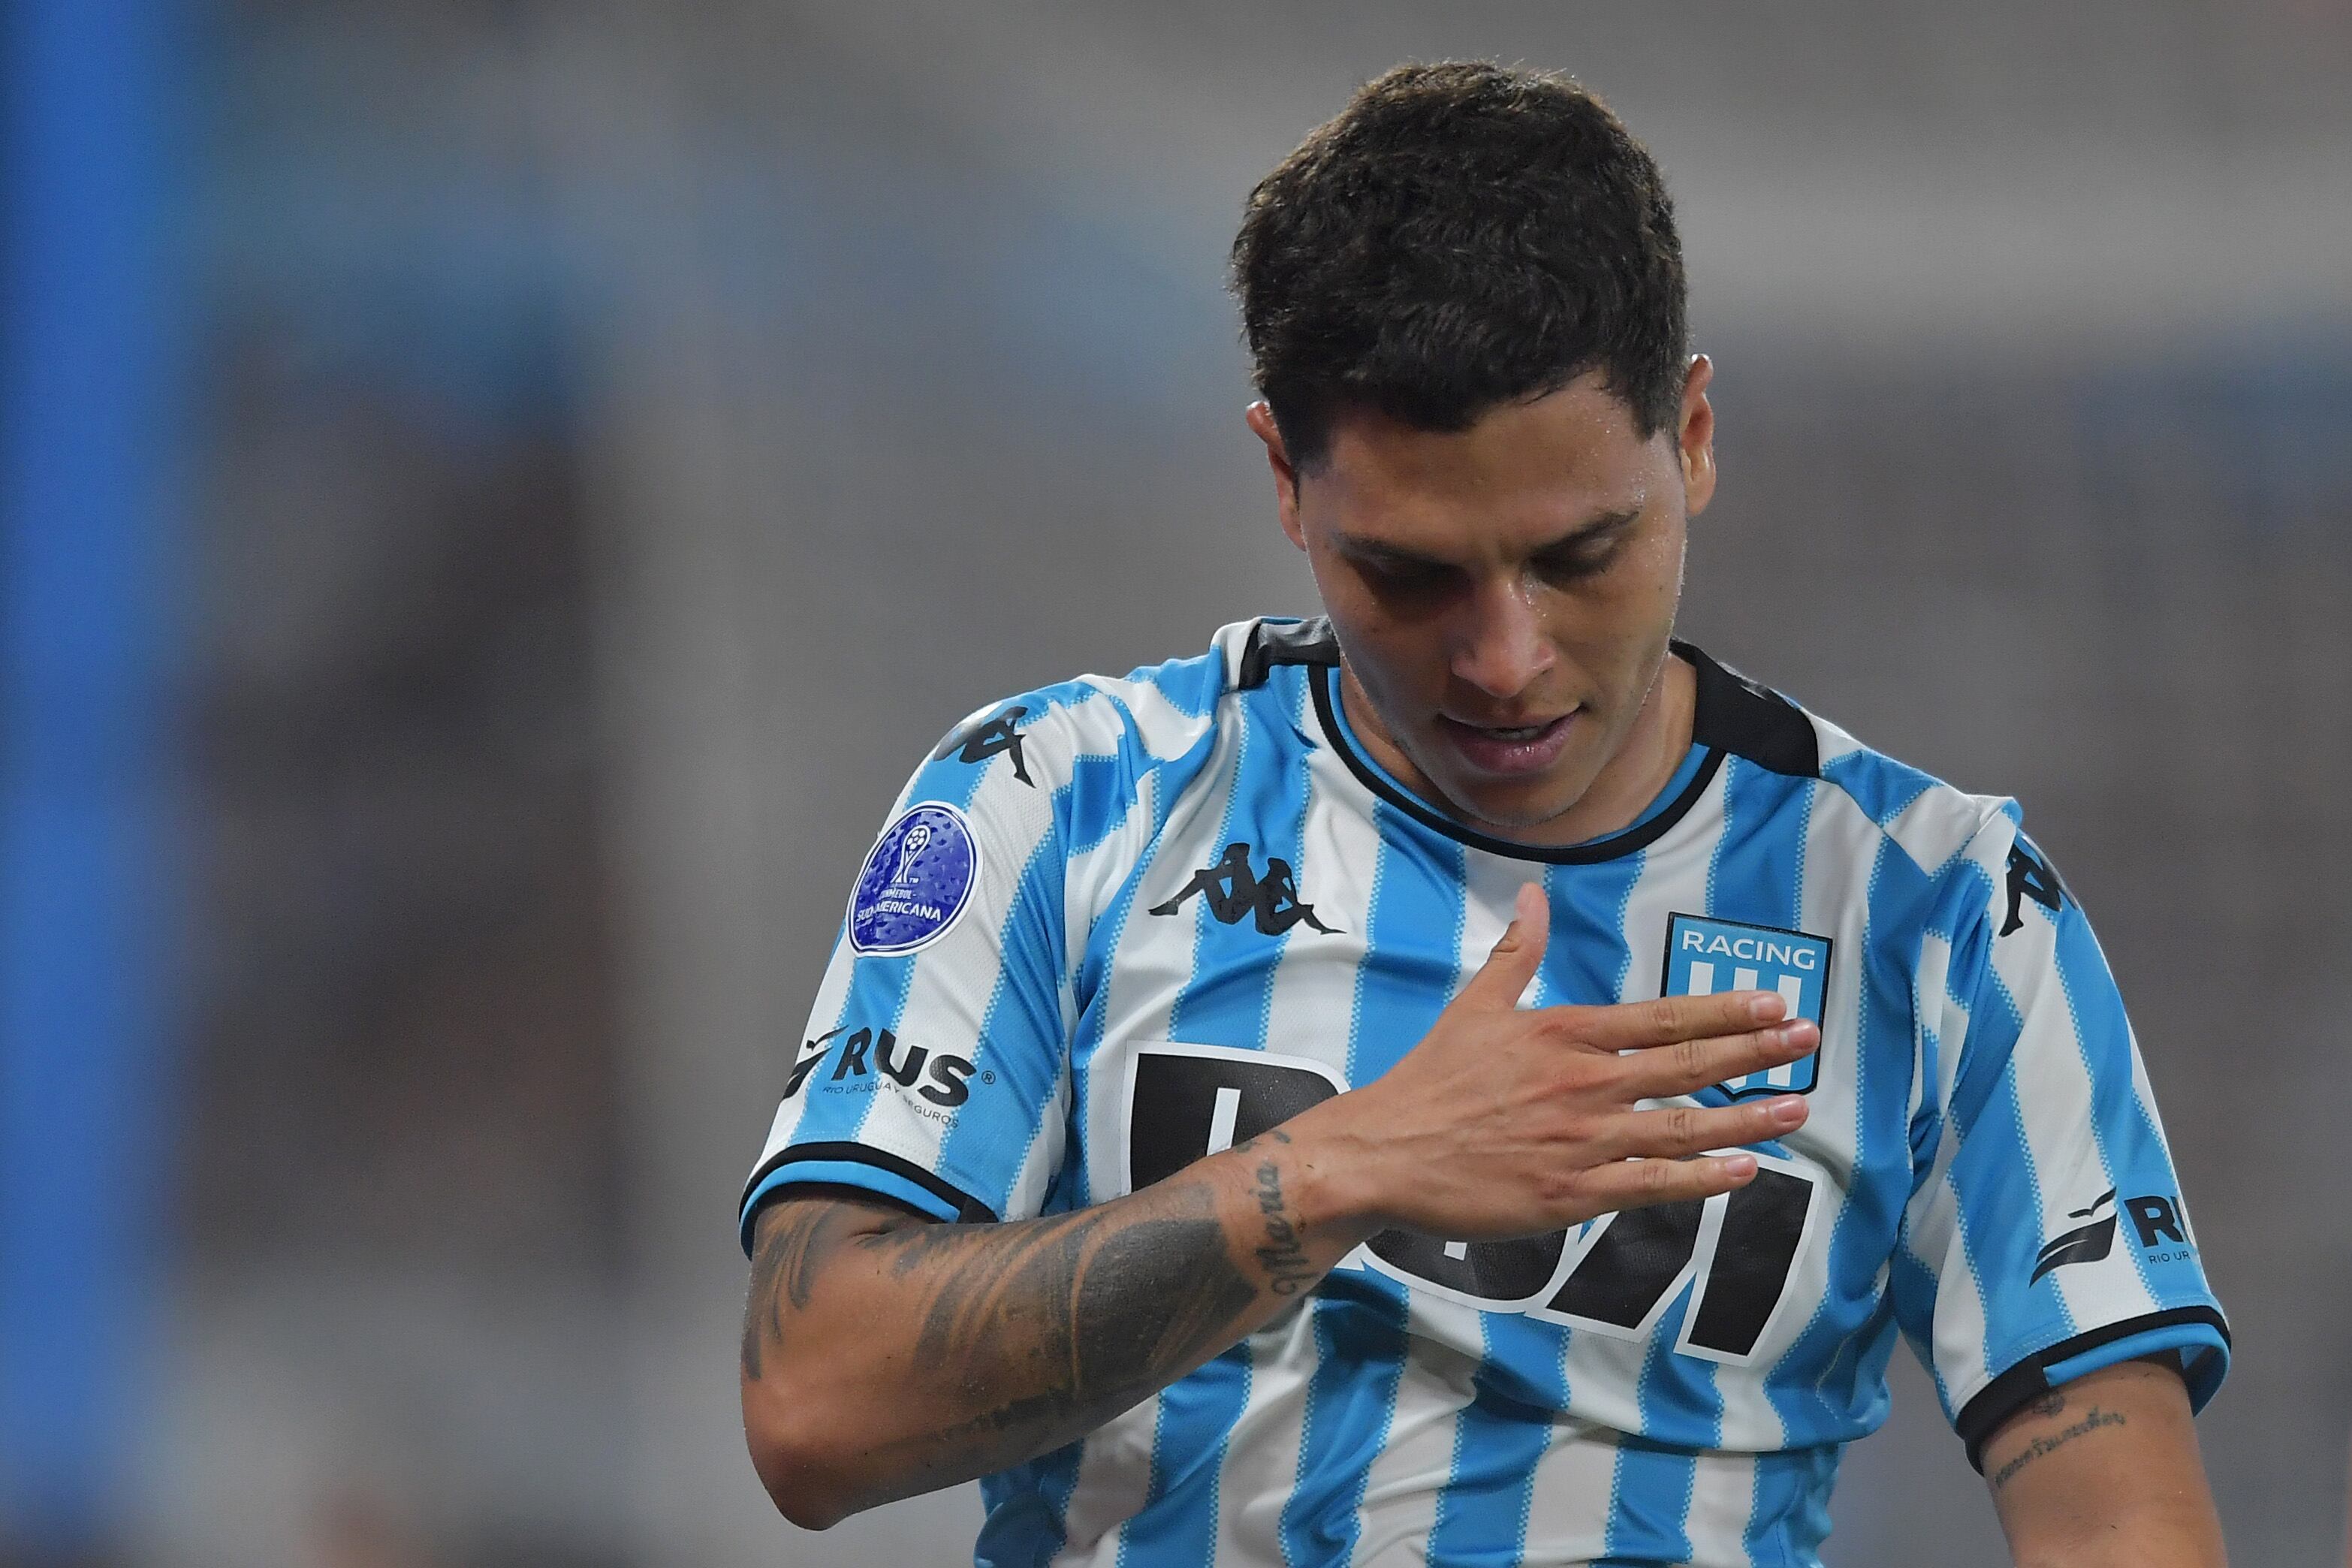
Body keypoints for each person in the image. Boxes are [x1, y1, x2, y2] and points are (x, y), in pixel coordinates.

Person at [735, 61, 2230, 1567]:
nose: (1506, 661)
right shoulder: (1060, 798)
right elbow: (815, 1409)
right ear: (1284, 481)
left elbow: (2122, 1525)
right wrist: (1338, 1170)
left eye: (1580, 554)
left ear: (1693, 437)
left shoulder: (1941, 911)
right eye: (1413, 575)